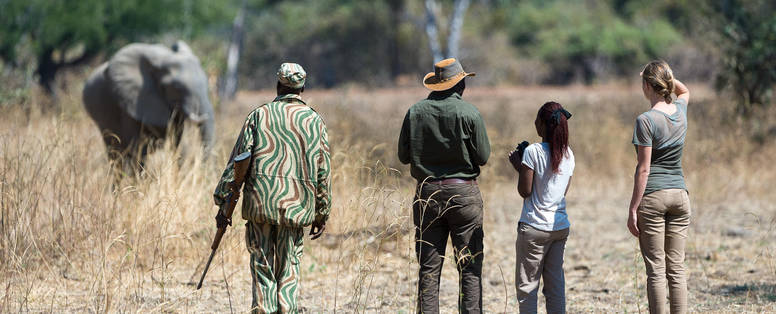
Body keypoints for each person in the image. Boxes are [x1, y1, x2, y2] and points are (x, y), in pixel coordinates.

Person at [212, 63, 331, 313]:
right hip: (297, 206)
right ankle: (287, 308)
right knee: (289, 267)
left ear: (277, 85)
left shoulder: (259, 115)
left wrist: (223, 199)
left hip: (260, 205)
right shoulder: (315, 121)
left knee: (262, 264)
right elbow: (323, 173)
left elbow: (238, 162)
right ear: (302, 88)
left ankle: (263, 309)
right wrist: (322, 212)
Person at [398, 58, 490, 314]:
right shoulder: (469, 112)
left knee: (428, 268)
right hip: (464, 194)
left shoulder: (415, 112)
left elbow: (403, 156)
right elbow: (483, 156)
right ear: (460, 83)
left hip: (427, 194)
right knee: (469, 267)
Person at [627, 60, 691, 314]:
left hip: (653, 197)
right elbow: (684, 91)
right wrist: (667, 77)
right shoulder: (680, 110)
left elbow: (644, 169)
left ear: (646, 86)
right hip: (680, 195)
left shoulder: (646, 120)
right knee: (676, 268)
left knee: (656, 270)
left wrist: (633, 208)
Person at [508, 101, 574, 314]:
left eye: (537, 121)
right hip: (559, 227)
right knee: (555, 288)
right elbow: (559, 192)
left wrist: (520, 168)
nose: (535, 124)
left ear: (543, 126)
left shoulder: (533, 152)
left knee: (528, 288)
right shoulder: (569, 154)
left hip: (534, 228)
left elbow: (525, 191)